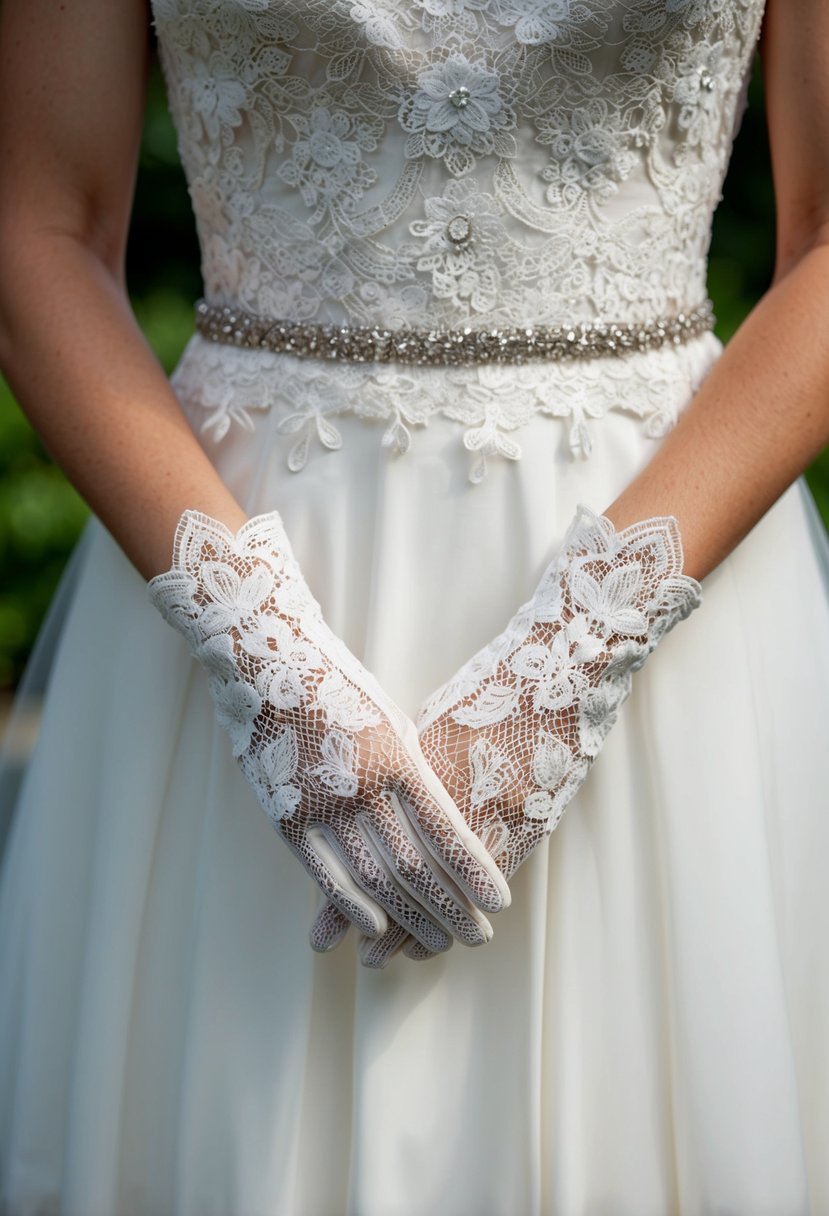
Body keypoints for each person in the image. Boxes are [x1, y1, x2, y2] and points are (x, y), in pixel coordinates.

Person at [0, 0, 828, 1211]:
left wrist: (582, 645)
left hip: (666, 586)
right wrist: (264, 655)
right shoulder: (254, 647)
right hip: (239, 591)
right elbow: (37, 227)